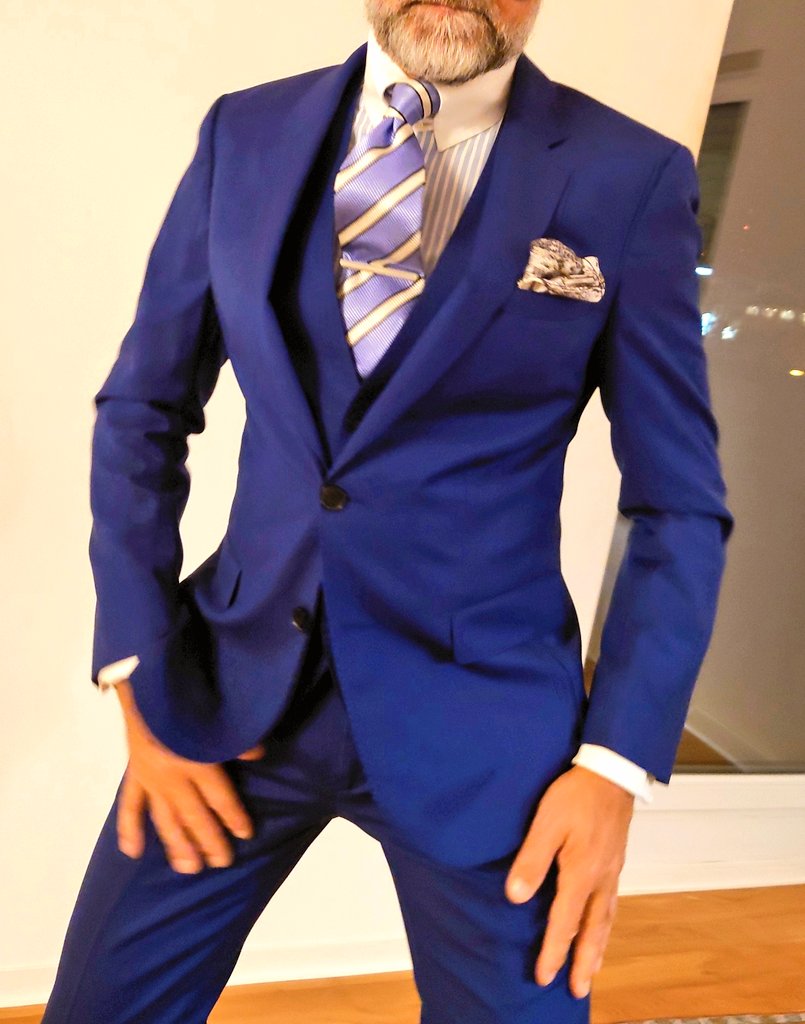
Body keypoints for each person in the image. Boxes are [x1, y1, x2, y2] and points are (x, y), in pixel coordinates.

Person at [42, 0, 734, 1020]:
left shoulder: (628, 175)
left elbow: (678, 503)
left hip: (490, 732)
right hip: (228, 702)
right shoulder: (246, 131)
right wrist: (140, 675)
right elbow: (144, 411)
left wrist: (614, 766)